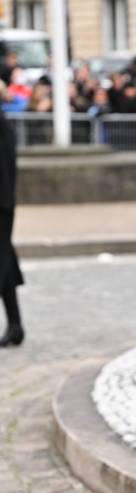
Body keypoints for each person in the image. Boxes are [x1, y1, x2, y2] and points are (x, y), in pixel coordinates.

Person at [0, 111, 24, 347]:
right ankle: (15, 325)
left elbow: (6, 170)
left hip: (1, 208)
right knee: (5, 265)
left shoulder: (3, 127)